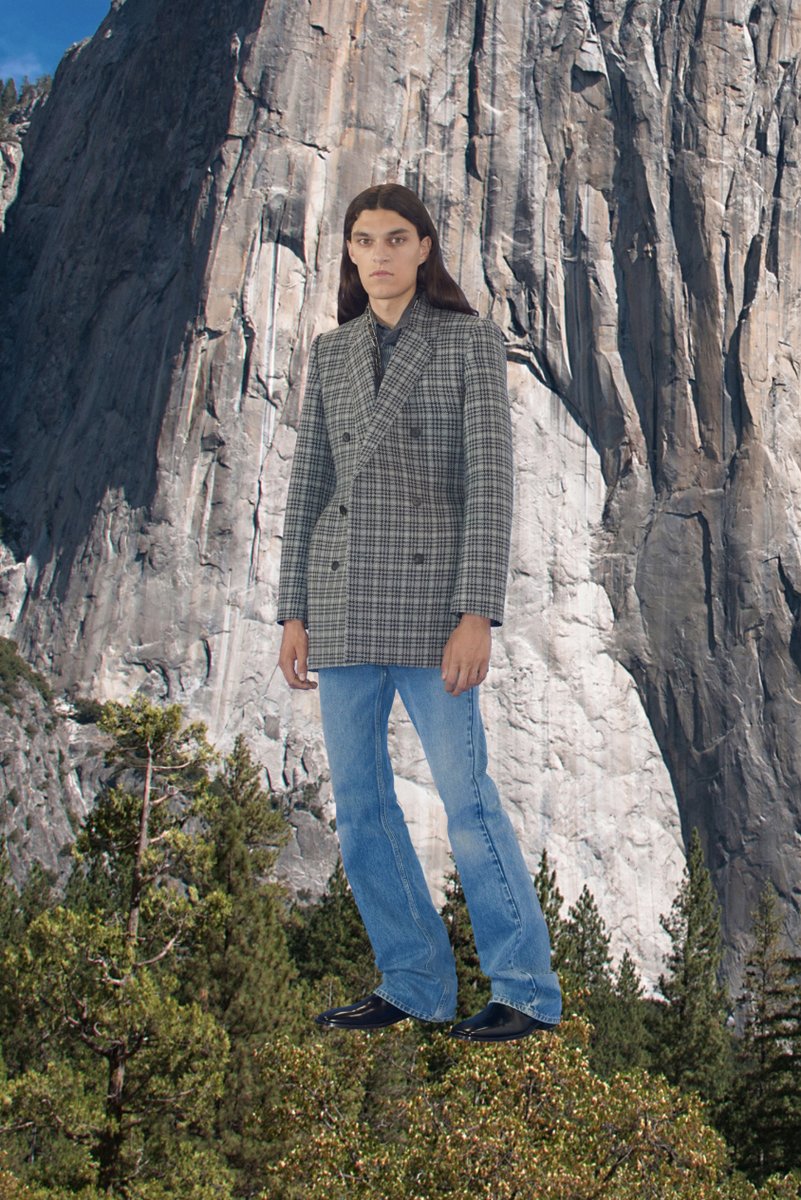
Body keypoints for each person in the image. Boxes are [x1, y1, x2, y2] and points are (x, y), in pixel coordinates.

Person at [277, 182, 562, 1041]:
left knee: (467, 802)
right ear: (350, 253)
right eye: (364, 240)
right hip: (340, 600)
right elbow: (308, 486)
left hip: (432, 606)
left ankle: (524, 989)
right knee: (361, 807)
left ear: (424, 248)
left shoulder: (468, 341)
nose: (379, 254)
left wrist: (476, 611)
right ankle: (412, 984)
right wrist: (293, 611)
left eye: (395, 238)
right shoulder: (332, 352)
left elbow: (489, 482)